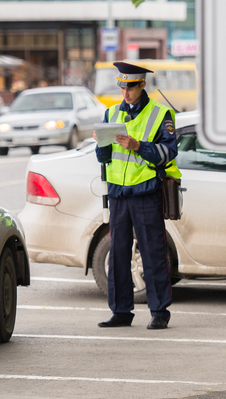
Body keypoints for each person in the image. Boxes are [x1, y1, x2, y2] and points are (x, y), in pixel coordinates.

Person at [94, 61, 181, 330]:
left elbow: (168, 153)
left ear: (142, 85)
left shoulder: (161, 114)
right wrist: (100, 144)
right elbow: (104, 157)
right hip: (118, 194)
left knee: (152, 252)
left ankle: (159, 311)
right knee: (118, 254)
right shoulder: (110, 114)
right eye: (122, 87)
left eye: (130, 88)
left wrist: (137, 146)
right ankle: (120, 311)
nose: (125, 93)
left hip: (146, 192)